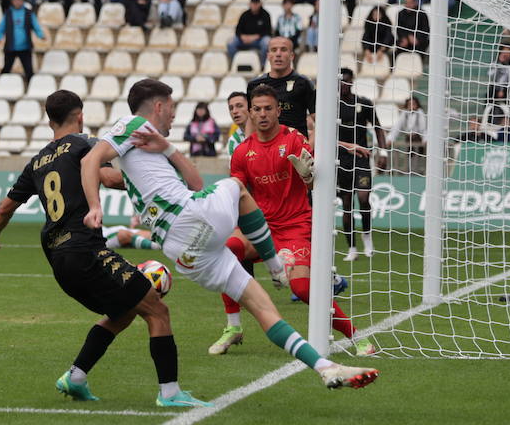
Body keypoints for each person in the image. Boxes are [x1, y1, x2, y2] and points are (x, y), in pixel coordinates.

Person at [81, 78, 378, 390]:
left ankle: (326, 367)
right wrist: (93, 205)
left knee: (265, 309)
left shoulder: (149, 148)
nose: (173, 115)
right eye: (171, 108)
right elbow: (92, 160)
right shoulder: (134, 124)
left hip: (184, 253)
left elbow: (195, 184)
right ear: (158, 106)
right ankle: (276, 268)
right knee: (236, 188)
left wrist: (168, 149)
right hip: (193, 218)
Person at [0, 89, 204, 407]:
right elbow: (111, 179)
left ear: (48, 119)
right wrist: (155, 182)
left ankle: (76, 376)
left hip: (58, 259)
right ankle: (170, 393)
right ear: (80, 116)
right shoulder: (85, 143)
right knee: (158, 310)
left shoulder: (37, 162)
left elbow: (4, 209)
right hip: (86, 250)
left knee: (123, 313)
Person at [209, 83, 377, 359]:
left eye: (268, 109)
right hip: (261, 227)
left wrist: (309, 177)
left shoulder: (294, 140)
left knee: (301, 288)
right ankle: (233, 327)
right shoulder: (242, 152)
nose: (262, 114)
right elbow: (236, 193)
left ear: (278, 111)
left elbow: (314, 186)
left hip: (295, 226)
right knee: (229, 247)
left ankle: (355, 335)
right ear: (251, 113)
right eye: (257, 109)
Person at [337, 67, 388, 261]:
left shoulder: (364, 103)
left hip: (362, 158)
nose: (344, 85)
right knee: (347, 204)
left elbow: (378, 127)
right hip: (340, 160)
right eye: (341, 81)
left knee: (364, 198)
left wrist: (382, 152)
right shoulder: (331, 106)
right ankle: (351, 248)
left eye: (347, 81)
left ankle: (367, 236)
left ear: (352, 81)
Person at [247, 36, 316, 137]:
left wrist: (308, 146)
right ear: (268, 55)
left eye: (283, 50)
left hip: (296, 148)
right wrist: (249, 146)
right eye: (274, 50)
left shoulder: (304, 83)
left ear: (292, 56)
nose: (278, 54)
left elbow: (320, 122)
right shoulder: (254, 85)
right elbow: (251, 119)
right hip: (267, 147)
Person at [0, 0, 44, 81]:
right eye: (16, 0)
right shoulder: (8, 13)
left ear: (23, 1)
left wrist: (41, 35)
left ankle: (30, 87)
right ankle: (1, 84)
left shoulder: (28, 13)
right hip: (10, 47)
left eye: (20, 0)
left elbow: (35, 25)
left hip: (25, 48)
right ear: (12, 1)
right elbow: (1, 27)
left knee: (29, 70)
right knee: (6, 69)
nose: (18, 2)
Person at [225, 91, 249, 156]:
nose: (234, 111)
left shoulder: (266, 131)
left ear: (250, 108)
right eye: (231, 108)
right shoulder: (233, 141)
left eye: (240, 106)